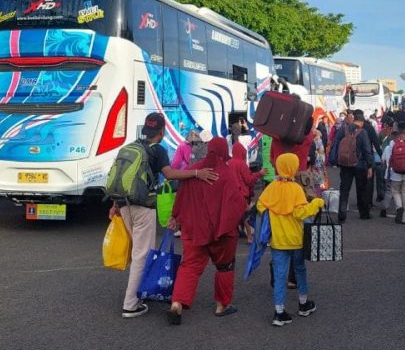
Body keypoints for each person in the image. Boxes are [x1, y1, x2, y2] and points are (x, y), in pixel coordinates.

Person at [110, 112, 219, 319]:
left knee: (138, 252)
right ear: (162, 131)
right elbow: (169, 174)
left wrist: (115, 204)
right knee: (142, 254)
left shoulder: (131, 147)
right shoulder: (158, 150)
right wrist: (196, 173)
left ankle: (140, 291)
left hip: (124, 204)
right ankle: (130, 304)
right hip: (144, 207)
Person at [166, 138, 249, 324]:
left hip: (195, 229)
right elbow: (238, 203)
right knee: (225, 267)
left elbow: (181, 198)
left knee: (190, 266)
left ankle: (177, 304)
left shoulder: (193, 171)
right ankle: (222, 305)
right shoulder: (227, 174)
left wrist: (175, 217)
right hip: (222, 232)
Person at [257, 153, 325, 327]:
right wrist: (316, 203)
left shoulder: (271, 187)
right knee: (300, 269)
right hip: (295, 239)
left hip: (277, 240)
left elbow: (260, 205)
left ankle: (279, 312)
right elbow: (300, 213)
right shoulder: (295, 189)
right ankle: (303, 303)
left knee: (280, 275)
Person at [329, 111, 373, 222]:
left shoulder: (343, 130)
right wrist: (370, 166)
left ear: (353, 120)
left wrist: (335, 160)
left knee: (344, 189)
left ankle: (342, 214)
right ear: (362, 122)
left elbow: (335, 143)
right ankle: (363, 213)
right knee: (361, 189)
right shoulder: (362, 133)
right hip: (360, 164)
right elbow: (367, 150)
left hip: (345, 164)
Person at [381, 122, 405, 224]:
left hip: (395, 172)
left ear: (397, 131)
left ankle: (399, 207)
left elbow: (389, 160)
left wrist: (388, 172)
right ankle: (404, 218)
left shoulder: (392, 143)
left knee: (395, 191)